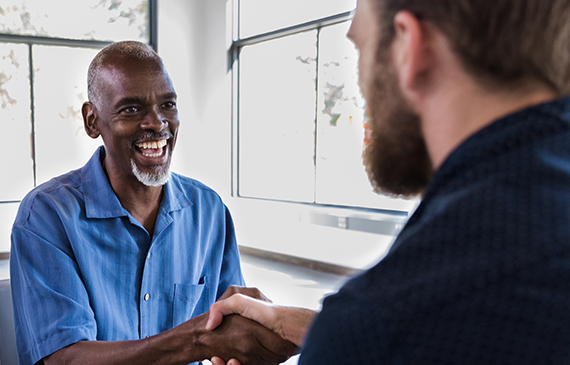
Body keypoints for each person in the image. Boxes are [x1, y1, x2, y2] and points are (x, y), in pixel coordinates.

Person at [207, 0, 570, 363]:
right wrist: (317, 328)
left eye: (360, 49)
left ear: (411, 48)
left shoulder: (379, 325)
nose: (361, 89)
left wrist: (340, 338)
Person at [10, 41, 296, 365]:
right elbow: (65, 359)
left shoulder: (209, 211)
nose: (157, 123)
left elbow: (229, 334)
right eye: (131, 109)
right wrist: (198, 339)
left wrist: (255, 333)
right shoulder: (46, 216)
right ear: (92, 121)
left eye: (168, 105)